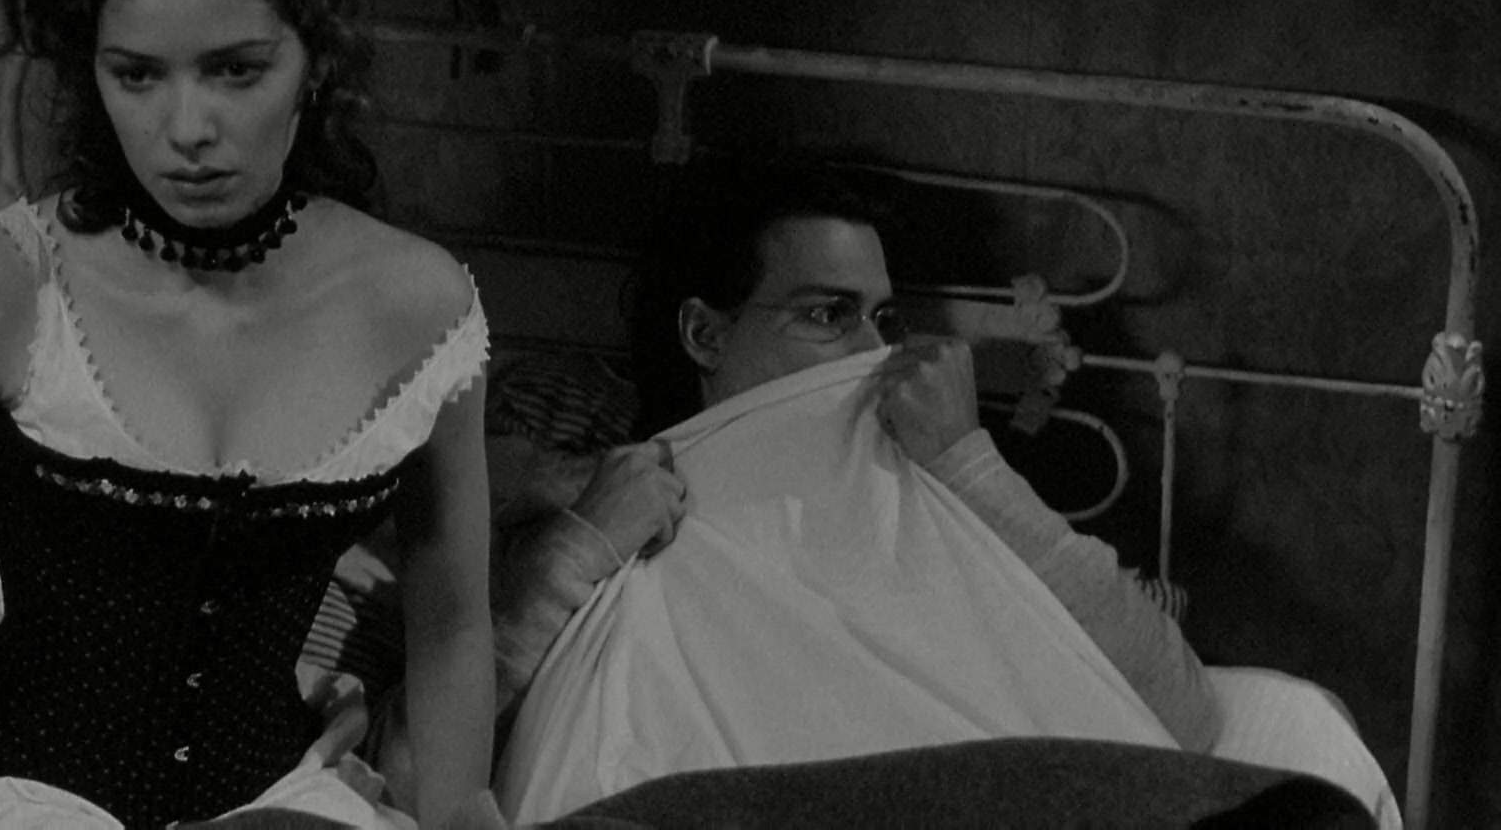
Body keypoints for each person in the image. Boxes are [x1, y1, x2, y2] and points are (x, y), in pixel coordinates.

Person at [0, 0, 494, 830]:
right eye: (136, 75)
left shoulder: (421, 310)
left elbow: (452, 631)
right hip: (13, 797)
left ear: (316, 58)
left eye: (236, 70)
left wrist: (456, 817)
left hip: (274, 800)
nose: (188, 128)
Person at [476, 160, 1219, 757]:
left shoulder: (931, 486)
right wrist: (577, 550)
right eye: (828, 315)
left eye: (884, 319)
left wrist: (970, 467)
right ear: (705, 335)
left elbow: (1184, 715)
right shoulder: (587, 517)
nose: (874, 351)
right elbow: (446, 770)